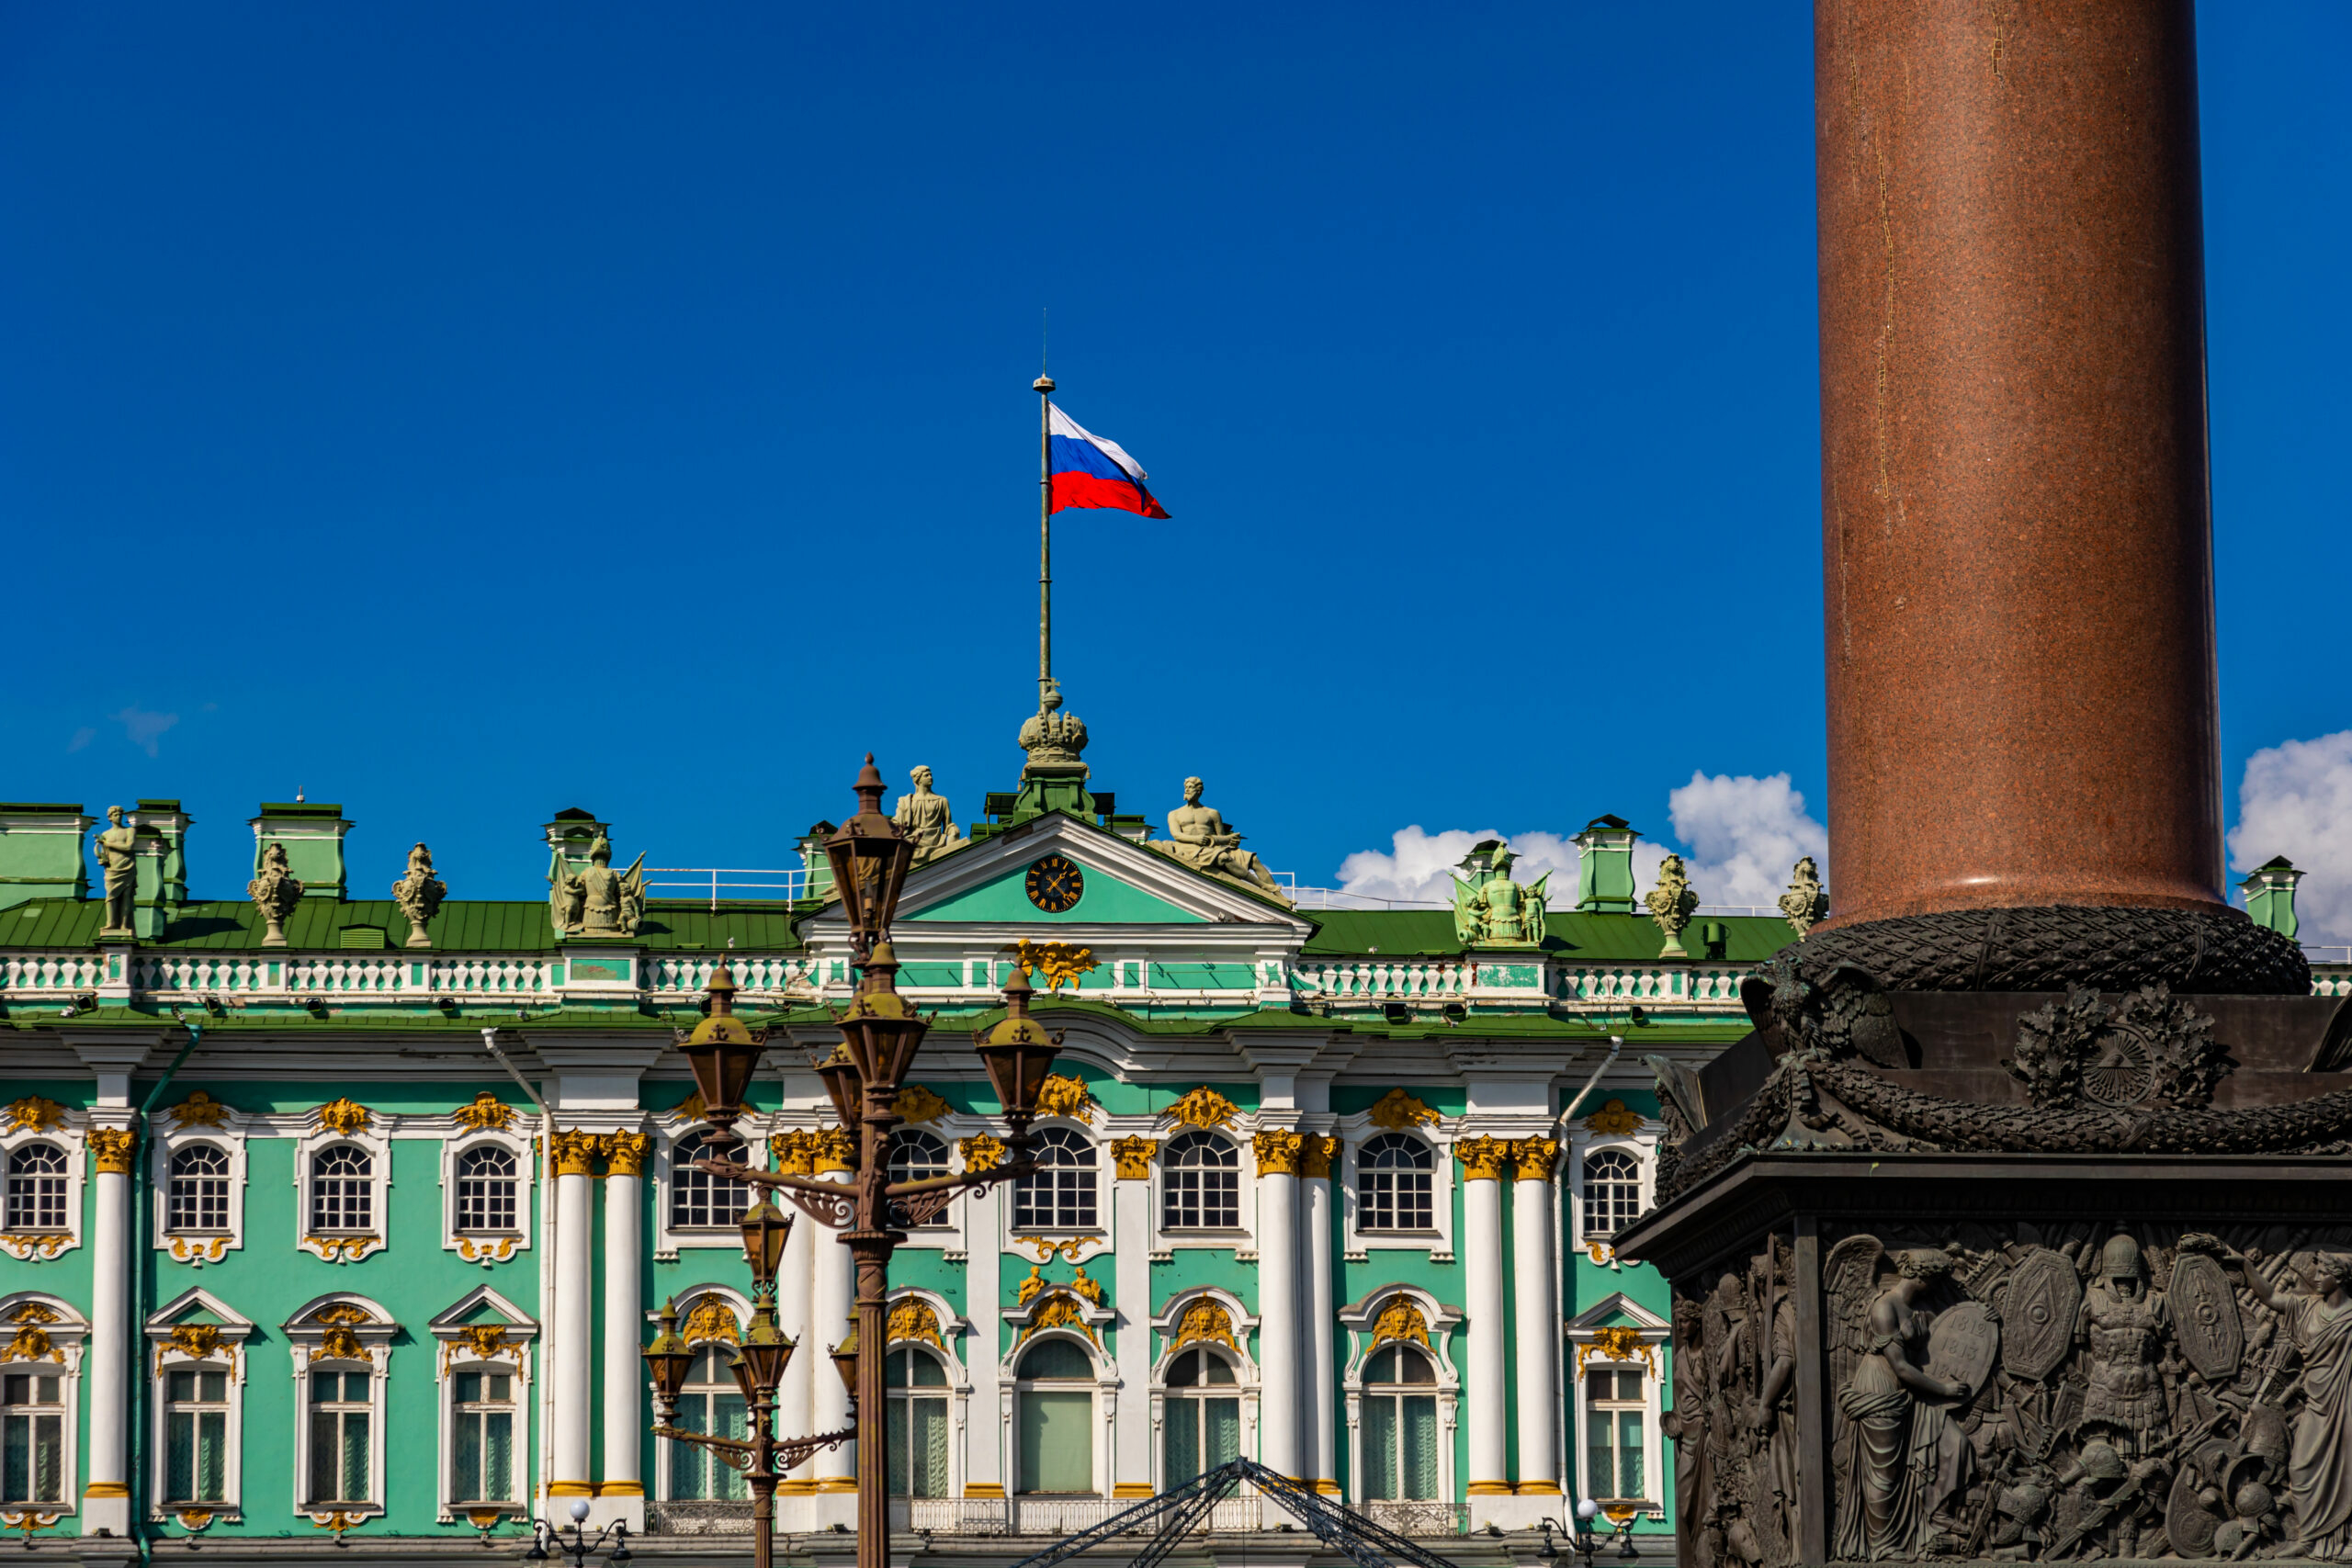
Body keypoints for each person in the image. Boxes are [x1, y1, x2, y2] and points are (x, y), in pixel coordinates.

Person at [2232, 1247, 2352, 1557]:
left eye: (2323, 1273)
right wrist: (2246, 1265)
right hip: (2317, 1402)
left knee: (2346, 1470)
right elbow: (2270, 1297)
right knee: (2299, 1468)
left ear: (2340, 1278)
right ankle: (2309, 1536)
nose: (2316, 1277)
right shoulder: (2307, 1306)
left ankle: (2338, 1541)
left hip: (2346, 1403)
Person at [1157, 777, 1282, 896]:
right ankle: (1262, 885)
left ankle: (1279, 896)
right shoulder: (1175, 814)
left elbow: (1221, 838)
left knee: (1253, 859)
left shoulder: (1212, 813)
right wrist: (1196, 839)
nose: (1187, 790)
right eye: (1186, 787)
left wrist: (1232, 843)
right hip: (1188, 848)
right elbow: (1177, 835)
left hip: (1212, 847)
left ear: (1198, 791)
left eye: (1190, 787)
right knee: (1222, 857)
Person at [891, 765, 965, 863]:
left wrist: (953, 831)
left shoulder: (942, 801)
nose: (930, 777)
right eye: (926, 775)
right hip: (914, 841)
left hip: (936, 841)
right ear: (919, 780)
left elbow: (948, 826)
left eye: (930, 775)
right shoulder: (907, 801)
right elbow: (897, 824)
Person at [93, 806, 137, 933]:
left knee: (126, 896)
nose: (118, 817)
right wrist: (102, 858)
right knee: (111, 896)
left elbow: (129, 847)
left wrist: (108, 844)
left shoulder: (129, 831)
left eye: (120, 815)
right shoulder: (106, 834)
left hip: (127, 865)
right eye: (116, 815)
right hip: (112, 868)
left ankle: (124, 925)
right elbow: (104, 853)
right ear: (110, 817)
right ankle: (111, 923)